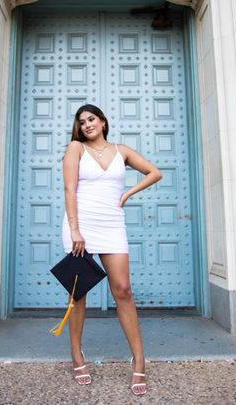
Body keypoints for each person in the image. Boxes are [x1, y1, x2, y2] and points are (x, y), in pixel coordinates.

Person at [62, 104, 162, 396]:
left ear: (103, 122)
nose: (87, 125)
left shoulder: (122, 150)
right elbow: (69, 190)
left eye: (91, 119)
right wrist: (75, 230)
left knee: (123, 290)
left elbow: (154, 172)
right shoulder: (75, 149)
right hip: (81, 225)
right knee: (78, 293)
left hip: (111, 224)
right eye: (82, 122)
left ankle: (139, 359)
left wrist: (129, 192)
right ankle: (77, 355)